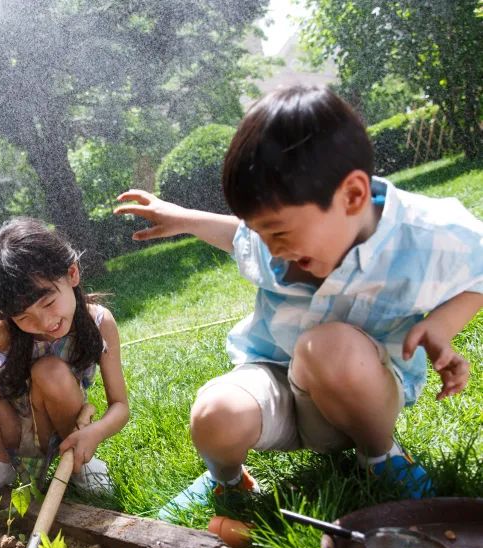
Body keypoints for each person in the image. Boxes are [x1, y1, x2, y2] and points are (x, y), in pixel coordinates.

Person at [115, 86, 483, 518]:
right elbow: (238, 235)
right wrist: (185, 220)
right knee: (214, 413)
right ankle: (227, 482)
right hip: (277, 388)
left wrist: (441, 326)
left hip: (359, 400)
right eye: (262, 234)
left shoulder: (426, 233)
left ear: (352, 196)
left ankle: (381, 460)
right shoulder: (277, 240)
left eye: (280, 233)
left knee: (326, 346)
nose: (269, 249)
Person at [0, 218, 130, 508]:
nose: (45, 323)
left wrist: (94, 433)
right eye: (23, 317)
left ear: (72, 274)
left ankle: (80, 465)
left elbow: (120, 405)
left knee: (49, 370)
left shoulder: (99, 322)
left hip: (58, 431)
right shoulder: (1, 330)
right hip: (11, 430)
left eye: (47, 303)